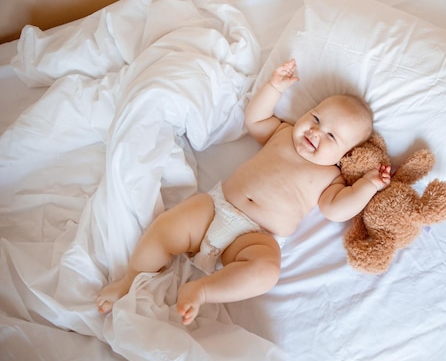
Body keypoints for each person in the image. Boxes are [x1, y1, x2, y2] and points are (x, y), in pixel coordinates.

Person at [96, 59, 391, 325]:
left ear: (346, 154)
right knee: (165, 227)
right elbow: (256, 120)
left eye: (331, 136)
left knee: (267, 272)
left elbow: (336, 209)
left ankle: (202, 290)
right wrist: (274, 88)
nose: (315, 132)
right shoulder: (284, 134)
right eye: (315, 119)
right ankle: (130, 279)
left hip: (256, 238)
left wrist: (368, 185)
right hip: (215, 208)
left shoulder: (330, 177)